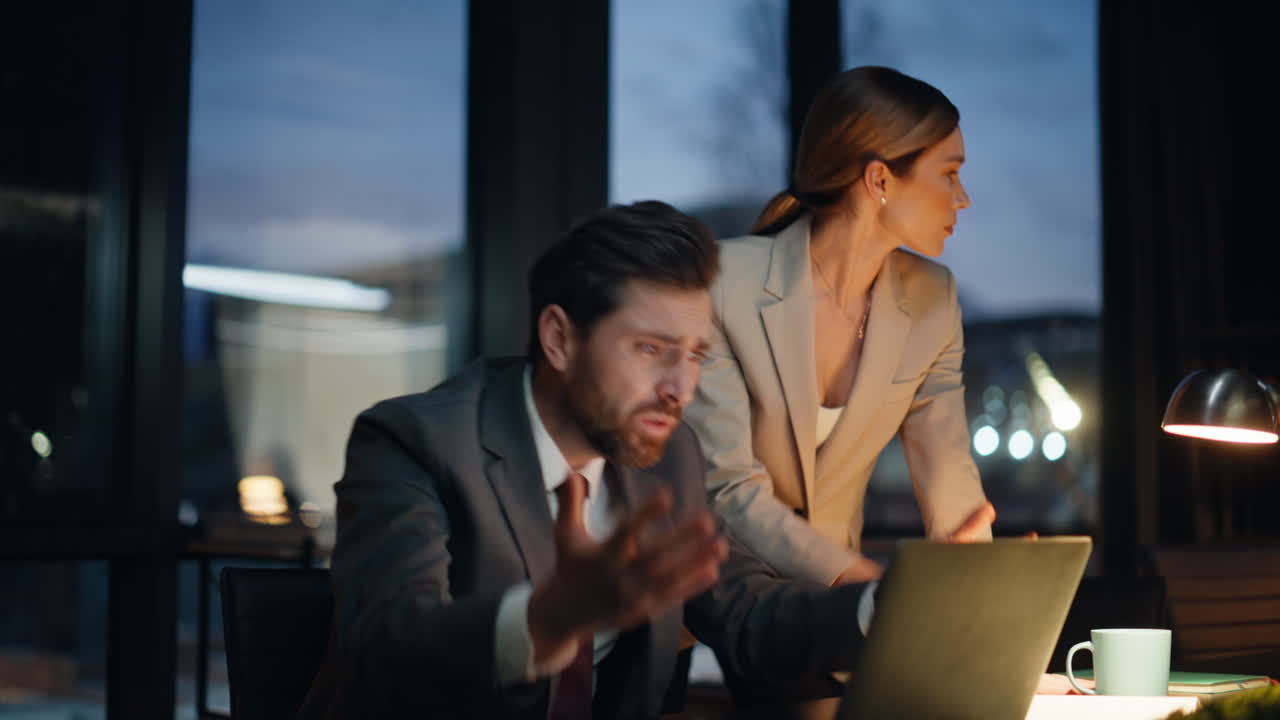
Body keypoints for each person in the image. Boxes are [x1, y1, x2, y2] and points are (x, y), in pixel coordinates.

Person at [296, 200, 927, 720]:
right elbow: (390, 649)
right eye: (651, 349)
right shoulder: (414, 442)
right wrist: (549, 619)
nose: (681, 388)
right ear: (559, 339)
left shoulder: (668, 457)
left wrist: (889, 609)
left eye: (694, 355)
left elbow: (747, 615)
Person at [685, 66, 993, 591]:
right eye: (949, 173)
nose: (962, 197)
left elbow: (946, 465)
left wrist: (978, 580)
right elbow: (730, 488)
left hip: (838, 607)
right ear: (880, 180)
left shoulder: (934, 300)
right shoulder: (722, 282)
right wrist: (866, 583)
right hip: (721, 590)